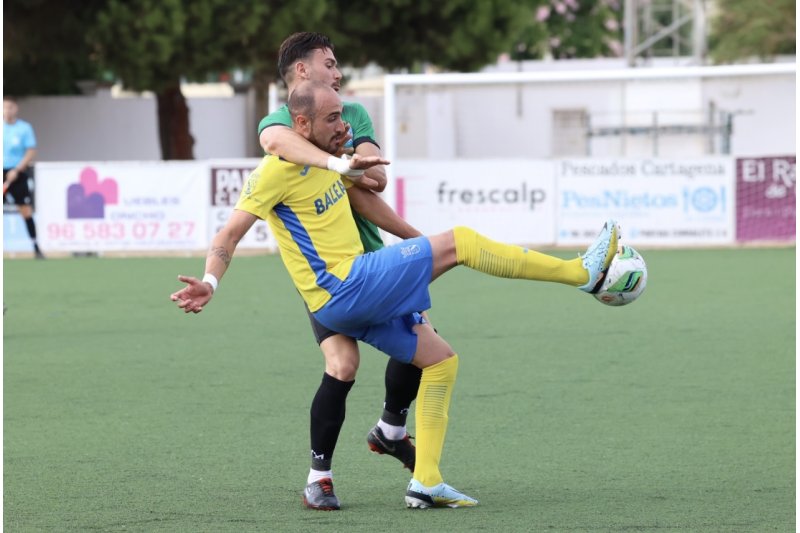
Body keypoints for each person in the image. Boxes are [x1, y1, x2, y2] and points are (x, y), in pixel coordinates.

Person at [170, 80, 620, 509]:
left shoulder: (334, 159)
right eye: (332, 119)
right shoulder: (274, 172)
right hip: (344, 288)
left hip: (350, 298)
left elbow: (369, 203)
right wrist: (210, 283)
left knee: (440, 359)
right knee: (461, 240)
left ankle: (425, 481)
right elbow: (228, 234)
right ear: (301, 125)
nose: (343, 125)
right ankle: (582, 273)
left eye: (342, 115)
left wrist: (420, 241)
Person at [258, 32, 424, 510]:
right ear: (302, 70)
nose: (339, 71)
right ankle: (318, 478)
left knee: (424, 347)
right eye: (329, 63)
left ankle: (391, 428)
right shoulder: (279, 121)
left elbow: (375, 178)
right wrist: (337, 162)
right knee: (342, 365)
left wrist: (349, 166)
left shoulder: (353, 113)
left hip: (371, 254)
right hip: (326, 274)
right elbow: (276, 141)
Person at [3, 95, 43, 259]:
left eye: (10, 107)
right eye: (4, 107)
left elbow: (31, 150)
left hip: (18, 173)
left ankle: (36, 247)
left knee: (25, 211)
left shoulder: (24, 128)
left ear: (16, 108)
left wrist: (17, 170)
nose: (7, 110)